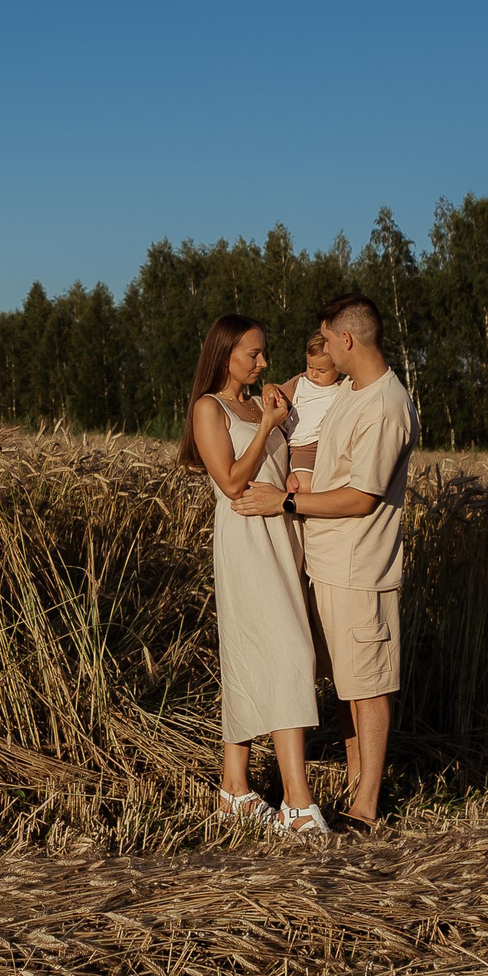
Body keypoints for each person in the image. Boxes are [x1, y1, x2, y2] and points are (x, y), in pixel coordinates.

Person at [231, 292, 417, 829]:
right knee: (348, 688)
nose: (326, 349)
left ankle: (366, 809)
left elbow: (362, 497)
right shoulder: (353, 393)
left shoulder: (384, 405)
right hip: (328, 564)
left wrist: (284, 501)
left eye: (329, 338)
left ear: (348, 339)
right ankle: (358, 790)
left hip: (362, 570)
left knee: (370, 687)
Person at [180, 314, 331, 837]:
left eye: (264, 353)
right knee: (292, 650)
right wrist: (267, 426)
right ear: (225, 354)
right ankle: (297, 803)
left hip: (279, 534)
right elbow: (229, 482)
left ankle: (235, 790)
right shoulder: (210, 408)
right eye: (254, 354)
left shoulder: (259, 403)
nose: (264, 362)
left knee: (251, 654)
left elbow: (314, 390)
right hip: (245, 537)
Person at [283, 330, 347, 493]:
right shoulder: (301, 383)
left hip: (330, 446)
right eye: (309, 366)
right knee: (305, 486)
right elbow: (279, 392)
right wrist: (269, 388)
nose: (313, 373)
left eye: (322, 370)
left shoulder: (343, 387)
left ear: (338, 368)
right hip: (304, 446)